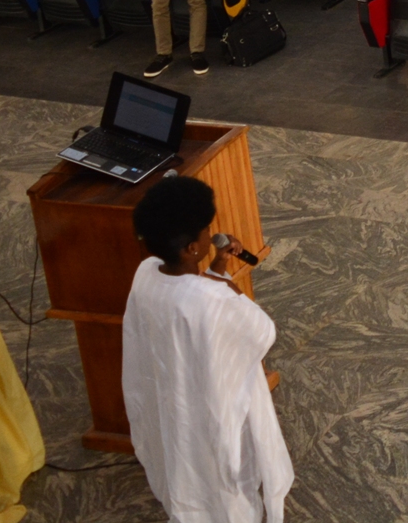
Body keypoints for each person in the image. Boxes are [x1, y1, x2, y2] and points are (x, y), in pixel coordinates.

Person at [121, 175, 292, 523]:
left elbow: (190, 302)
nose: (208, 235)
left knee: (185, 478)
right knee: (225, 486)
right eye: (204, 232)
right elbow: (261, 331)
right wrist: (223, 284)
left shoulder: (144, 273)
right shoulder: (212, 301)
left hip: (173, 405)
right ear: (191, 249)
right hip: (213, 412)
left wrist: (217, 267)